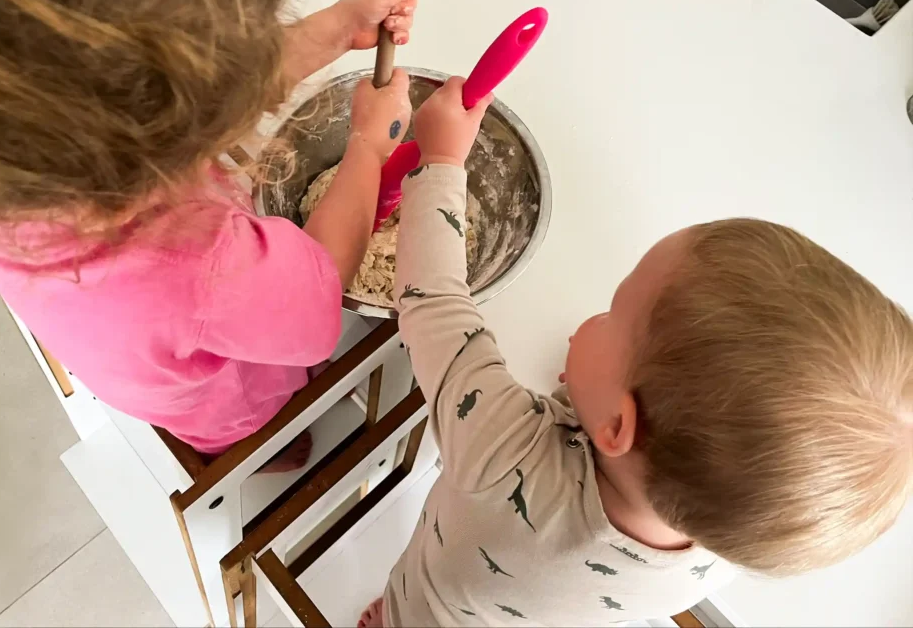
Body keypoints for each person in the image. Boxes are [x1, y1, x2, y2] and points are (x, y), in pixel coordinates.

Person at [0, 0, 422, 464]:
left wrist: (335, 27)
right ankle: (269, 451)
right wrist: (368, 147)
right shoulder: (195, 262)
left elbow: (209, 89)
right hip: (226, 402)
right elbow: (319, 306)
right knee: (261, 433)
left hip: (124, 358)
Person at [359, 77, 913, 626]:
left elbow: (432, 299)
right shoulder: (725, 539)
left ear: (619, 428)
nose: (595, 318)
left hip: (433, 606)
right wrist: (596, 391)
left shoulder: (506, 454)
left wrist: (441, 159)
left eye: (613, 314)